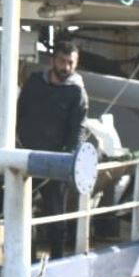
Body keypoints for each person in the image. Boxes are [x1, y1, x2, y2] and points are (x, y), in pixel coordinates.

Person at [16, 35, 88, 250]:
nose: (66, 67)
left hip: (55, 160)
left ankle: (57, 256)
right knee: (21, 211)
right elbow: (19, 111)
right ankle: (27, 256)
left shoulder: (77, 92)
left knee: (56, 214)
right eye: (62, 61)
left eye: (71, 63)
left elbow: (79, 128)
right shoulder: (34, 82)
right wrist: (15, 141)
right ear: (52, 61)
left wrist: (68, 157)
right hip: (26, 155)